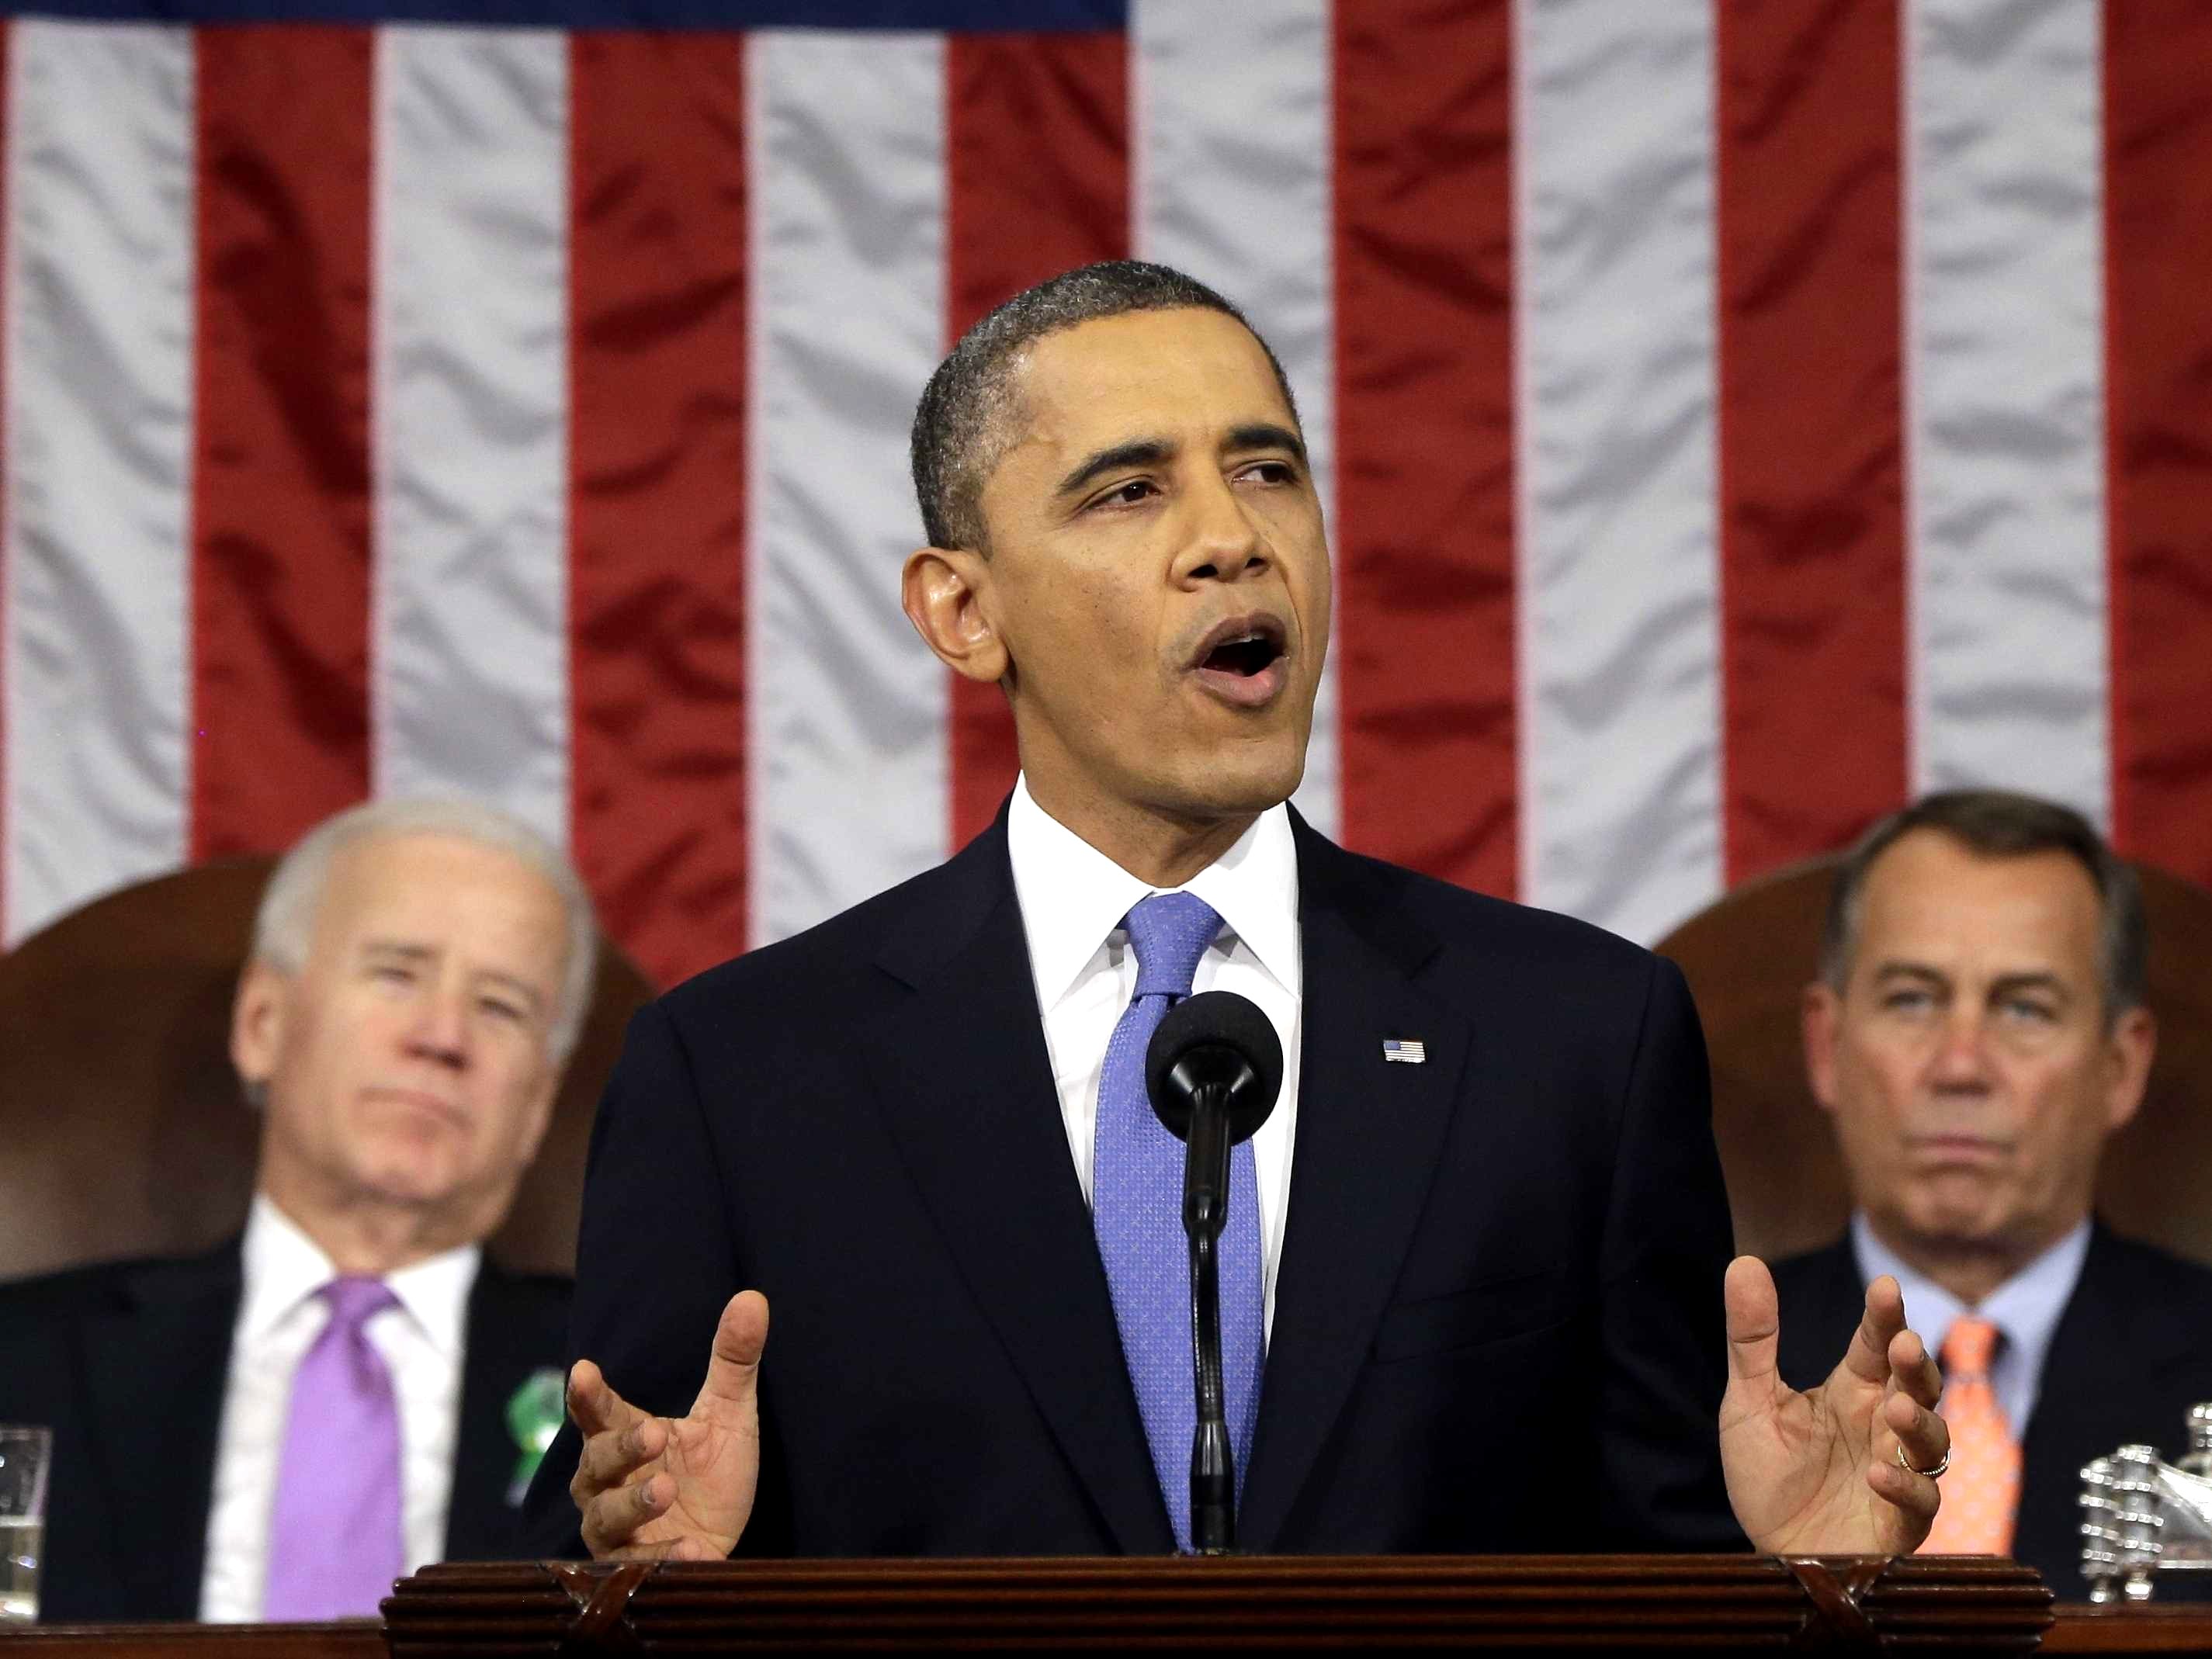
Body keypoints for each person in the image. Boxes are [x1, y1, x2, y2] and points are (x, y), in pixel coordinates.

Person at [526, 260, 1948, 1563]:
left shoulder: (1574, 1040)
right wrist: (653, 1594)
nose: (1231, 539)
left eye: (1267, 469)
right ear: (964, 611)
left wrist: (1803, 1580)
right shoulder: (743, 1076)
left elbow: (1661, 1569)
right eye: (1128, 491)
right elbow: (603, 1545)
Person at [0, 797, 598, 1622]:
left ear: (539, 1101)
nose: (442, 1034)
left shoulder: (627, 1408)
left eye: (501, 1005)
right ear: (262, 1022)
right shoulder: (20, 1363)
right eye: (397, 972)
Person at [1772, 788, 2212, 1595]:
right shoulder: (1696, 1378)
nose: (1962, 1064)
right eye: (1912, 998)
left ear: (2121, 1067)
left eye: (2024, 1006)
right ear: (1828, 1045)